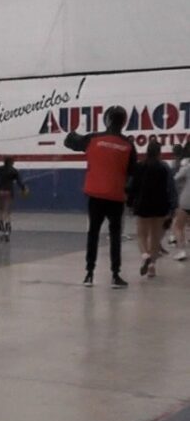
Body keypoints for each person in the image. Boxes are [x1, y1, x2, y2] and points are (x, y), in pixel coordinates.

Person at [65, 106, 136, 289]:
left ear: (107, 119)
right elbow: (132, 172)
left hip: (96, 195)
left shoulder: (93, 138)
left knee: (93, 234)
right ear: (123, 121)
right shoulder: (128, 145)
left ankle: (89, 274)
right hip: (116, 196)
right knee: (115, 236)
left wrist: (72, 131)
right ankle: (115, 275)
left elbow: (69, 142)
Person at [129, 140, 174, 277]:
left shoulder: (140, 166)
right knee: (155, 237)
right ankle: (152, 266)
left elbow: (133, 186)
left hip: (143, 204)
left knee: (141, 235)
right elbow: (169, 188)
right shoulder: (164, 167)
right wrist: (171, 207)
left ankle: (145, 256)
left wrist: (131, 203)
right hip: (160, 205)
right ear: (159, 153)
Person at [0, 156, 28, 242]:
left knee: (0, 211)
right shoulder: (14, 171)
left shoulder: (0, 168)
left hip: (0, 191)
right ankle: (7, 232)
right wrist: (24, 189)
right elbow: (19, 182)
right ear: (11, 162)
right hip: (9, 192)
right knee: (7, 212)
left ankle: (1, 231)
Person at [173, 149, 190, 261]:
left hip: (186, 200)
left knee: (178, 226)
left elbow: (175, 178)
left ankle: (182, 251)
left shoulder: (187, 166)